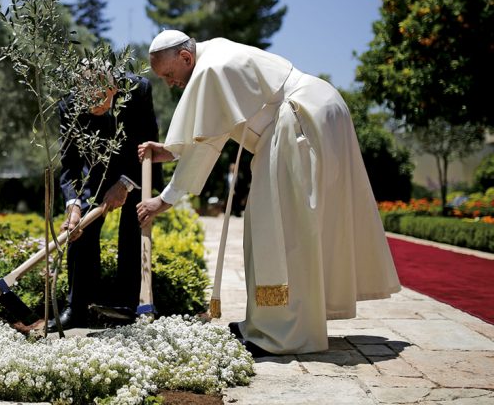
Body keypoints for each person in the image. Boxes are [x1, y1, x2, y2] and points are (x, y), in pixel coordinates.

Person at [136, 30, 400, 355]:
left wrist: (165, 199)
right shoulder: (214, 53)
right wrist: (171, 151)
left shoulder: (209, 68)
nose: (169, 83)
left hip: (300, 120)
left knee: (282, 230)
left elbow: (206, 143)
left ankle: (282, 334)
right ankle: (270, 324)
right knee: (291, 225)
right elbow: (213, 130)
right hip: (315, 111)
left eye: (169, 74)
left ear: (186, 57)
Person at [51, 72, 162, 331]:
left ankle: (128, 305)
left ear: (113, 88)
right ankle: (77, 308)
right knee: (80, 229)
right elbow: (70, 161)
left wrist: (124, 184)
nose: (93, 106)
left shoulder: (137, 90)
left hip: (137, 165)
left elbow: (146, 142)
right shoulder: (69, 105)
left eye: (99, 99)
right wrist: (73, 205)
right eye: (87, 100)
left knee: (134, 225)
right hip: (97, 168)